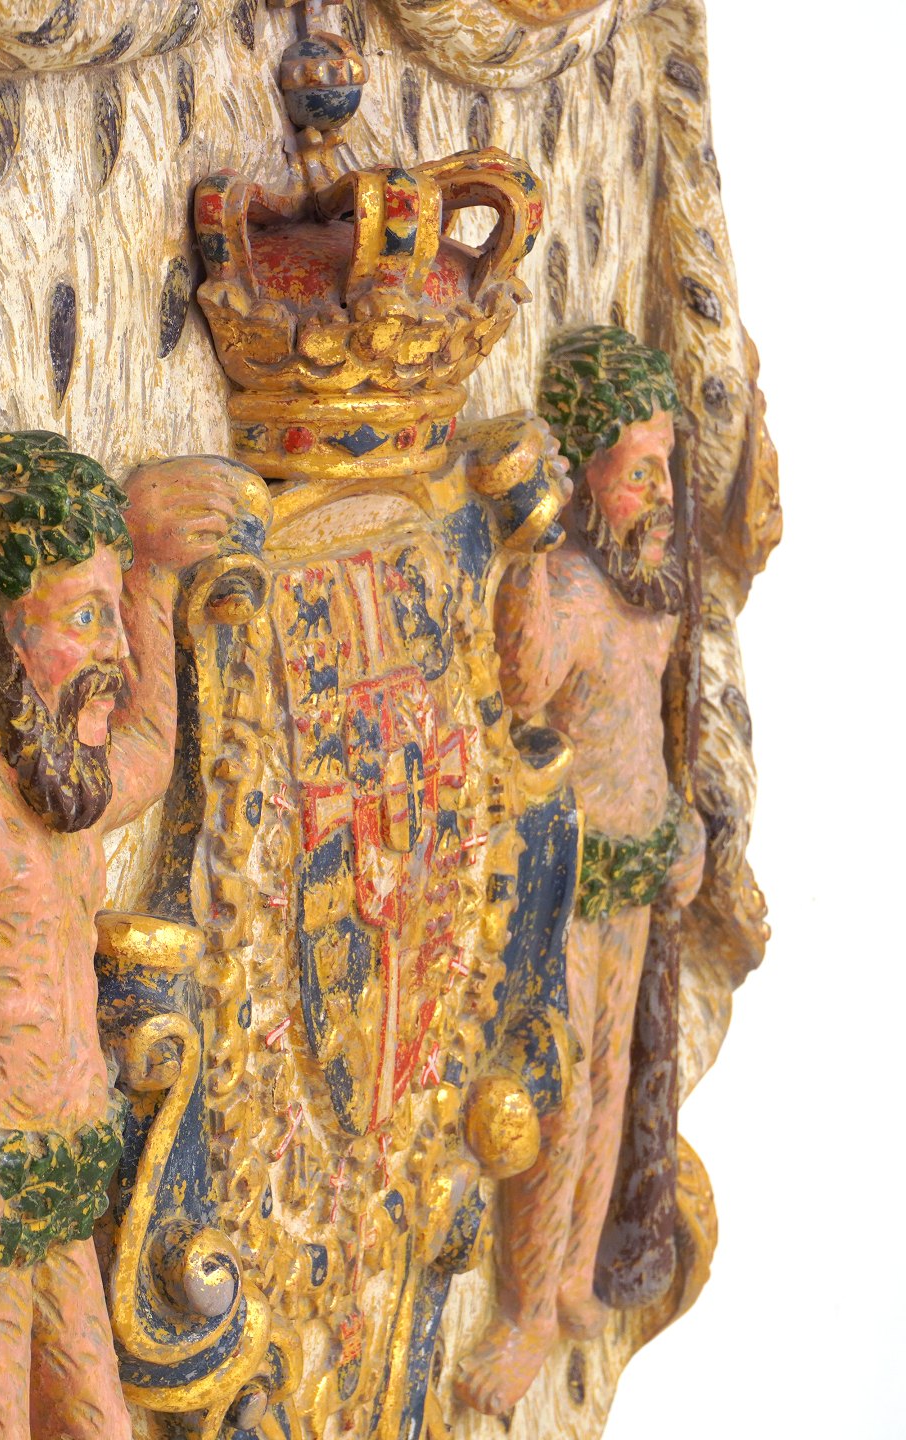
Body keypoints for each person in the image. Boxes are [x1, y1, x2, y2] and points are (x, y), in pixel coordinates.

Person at [0, 432, 247, 1439]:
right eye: (83, 616)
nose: (115, 652)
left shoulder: (67, 790)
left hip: (67, 1177)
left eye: (111, 618)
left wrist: (151, 577)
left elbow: (150, 742)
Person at [455, 328, 706, 1415]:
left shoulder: (654, 584)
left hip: (640, 864)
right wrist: (524, 552)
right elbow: (521, 684)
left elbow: (665, 726)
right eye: (640, 471)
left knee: (612, 1075)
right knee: (558, 1086)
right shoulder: (567, 585)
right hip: (570, 875)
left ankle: (566, 1275)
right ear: (584, 471)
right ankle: (520, 1309)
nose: (662, 494)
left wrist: (688, 827)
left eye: (665, 468)